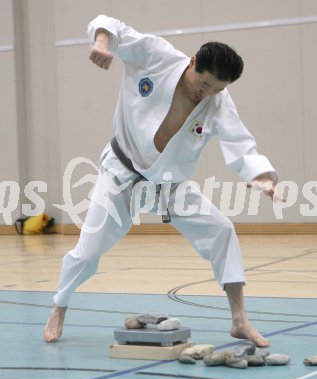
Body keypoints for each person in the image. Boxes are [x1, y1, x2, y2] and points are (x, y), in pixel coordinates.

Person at [44, 14, 282, 347]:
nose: (207, 93)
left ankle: (239, 319)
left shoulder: (217, 101)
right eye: (205, 83)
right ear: (193, 62)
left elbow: (241, 144)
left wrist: (262, 177)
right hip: (121, 174)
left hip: (170, 184)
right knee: (87, 254)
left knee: (222, 230)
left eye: (217, 89)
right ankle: (60, 305)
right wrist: (100, 43)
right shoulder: (156, 56)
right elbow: (110, 25)